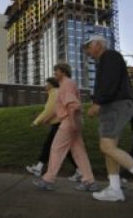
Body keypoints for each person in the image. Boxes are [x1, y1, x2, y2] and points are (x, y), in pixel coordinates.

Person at [84, 34, 133, 204]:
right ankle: (115, 189)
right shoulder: (107, 59)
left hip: (115, 105)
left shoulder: (109, 56)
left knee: (106, 146)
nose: (87, 51)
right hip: (114, 105)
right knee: (110, 149)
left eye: (88, 46)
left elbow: (109, 82)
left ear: (98, 44)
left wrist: (97, 102)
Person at [33, 64, 98, 192]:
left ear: (63, 72)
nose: (54, 74)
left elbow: (72, 105)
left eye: (56, 71)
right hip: (73, 120)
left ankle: (47, 180)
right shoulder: (67, 84)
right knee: (79, 152)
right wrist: (48, 118)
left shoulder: (66, 84)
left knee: (56, 149)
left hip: (69, 121)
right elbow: (62, 106)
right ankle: (90, 181)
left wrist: (72, 123)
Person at [26, 77, 82, 182]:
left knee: (49, 145)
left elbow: (50, 110)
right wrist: (46, 119)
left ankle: (40, 169)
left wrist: (36, 122)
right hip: (59, 123)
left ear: (51, 84)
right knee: (66, 149)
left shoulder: (54, 93)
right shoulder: (53, 93)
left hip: (60, 124)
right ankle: (79, 170)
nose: (44, 86)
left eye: (46, 83)